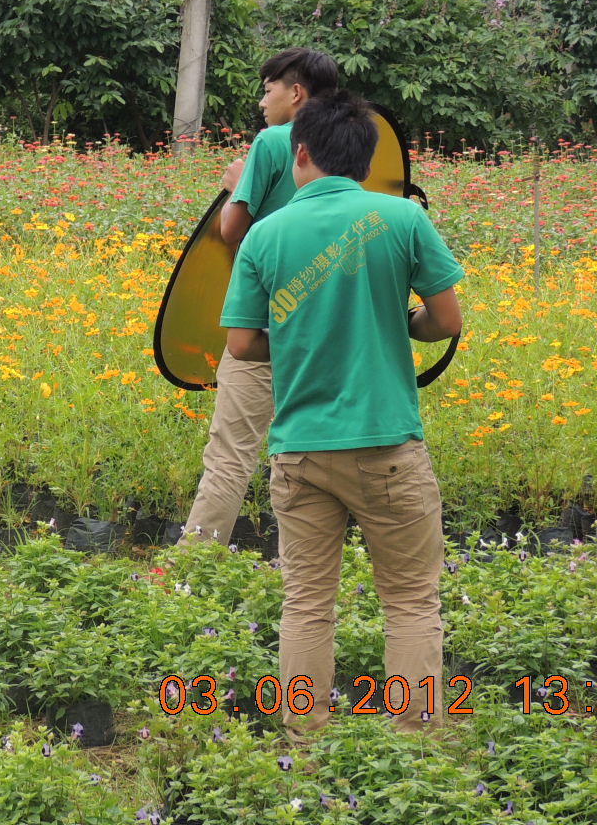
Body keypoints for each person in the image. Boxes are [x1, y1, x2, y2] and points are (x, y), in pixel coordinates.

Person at [221, 89, 464, 741]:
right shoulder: (403, 219)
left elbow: (242, 343)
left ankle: (304, 743)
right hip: (387, 445)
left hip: (300, 448)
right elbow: (445, 321)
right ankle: (410, 746)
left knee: (306, 604)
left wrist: (298, 337)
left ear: (300, 153)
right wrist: (402, 322)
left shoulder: (266, 235)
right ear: (364, 159)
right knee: (411, 601)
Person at [179, 47, 340, 548]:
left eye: (268, 89)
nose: (262, 101)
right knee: (316, 450)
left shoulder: (273, 141)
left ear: (295, 93)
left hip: (267, 319)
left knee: (231, 453)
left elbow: (231, 233)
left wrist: (232, 187)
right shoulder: (353, 146)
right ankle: (310, 560)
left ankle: (191, 564)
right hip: (331, 323)